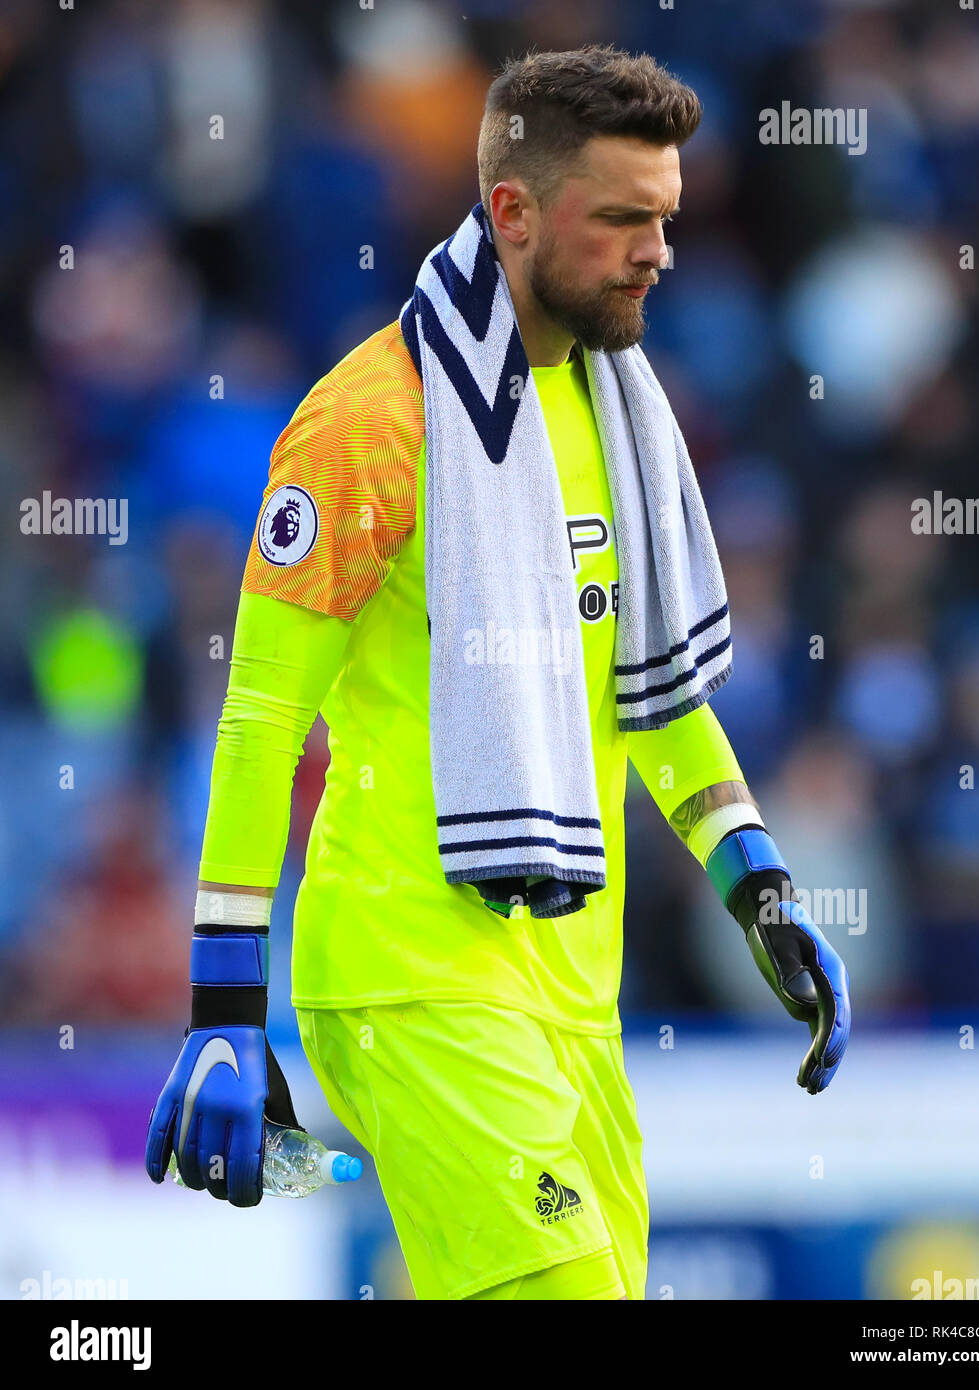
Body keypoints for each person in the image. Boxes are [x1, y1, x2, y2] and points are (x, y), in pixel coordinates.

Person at [146, 44, 849, 1302]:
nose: (657, 253)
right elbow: (260, 719)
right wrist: (220, 1003)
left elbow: (655, 699)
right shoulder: (369, 422)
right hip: (411, 975)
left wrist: (757, 880)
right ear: (513, 211)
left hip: (574, 990)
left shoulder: (621, 406)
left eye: (667, 219)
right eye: (622, 220)